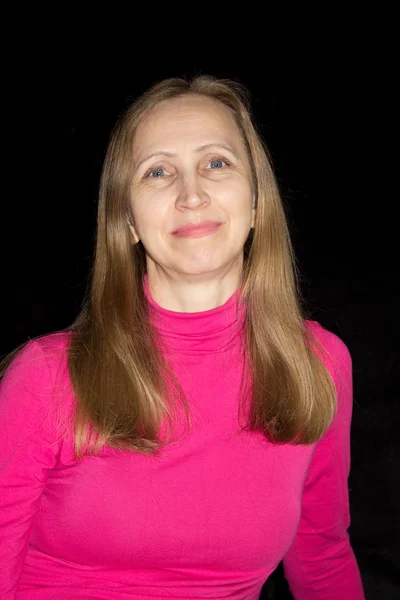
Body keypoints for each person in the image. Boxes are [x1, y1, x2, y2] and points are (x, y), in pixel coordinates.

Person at [0, 75, 365, 600]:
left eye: (217, 163)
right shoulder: (48, 376)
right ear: (127, 220)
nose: (191, 194)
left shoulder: (318, 365)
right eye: (158, 172)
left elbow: (323, 556)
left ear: (258, 201)